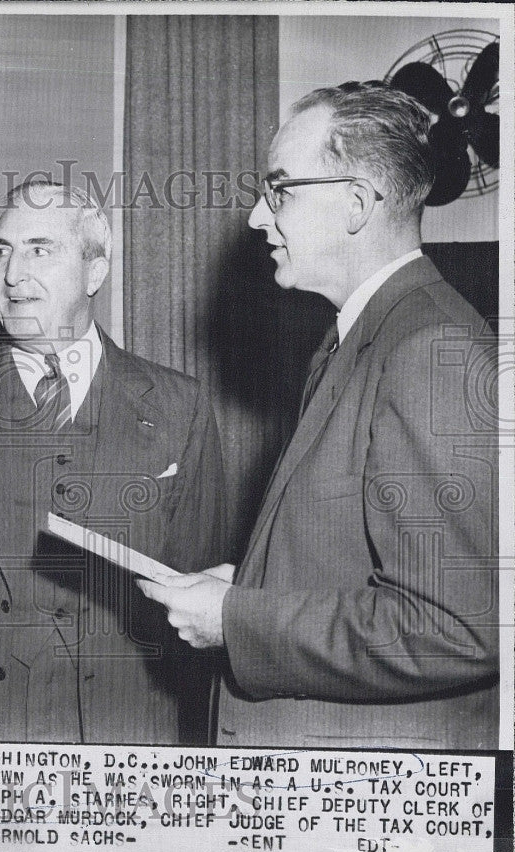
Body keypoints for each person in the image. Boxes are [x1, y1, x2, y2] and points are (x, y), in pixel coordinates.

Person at [138, 82, 498, 749]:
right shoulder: (360, 338)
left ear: (357, 203)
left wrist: (236, 620)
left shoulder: (430, 349)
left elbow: (459, 626)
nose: (255, 217)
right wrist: (246, 587)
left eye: (281, 190)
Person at [0, 181, 225, 743]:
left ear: (94, 271)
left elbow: (197, 573)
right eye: (1, 252)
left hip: (124, 729)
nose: (12, 275)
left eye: (40, 249)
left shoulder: (178, 406)